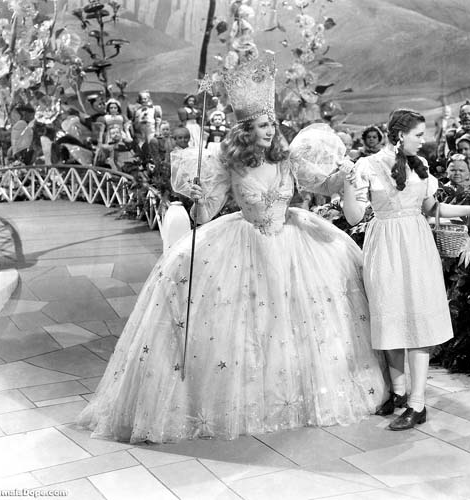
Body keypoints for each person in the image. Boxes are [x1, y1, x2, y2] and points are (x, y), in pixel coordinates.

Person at [77, 54, 387, 443]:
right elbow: (204, 215)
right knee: (247, 326)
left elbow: (322, 185)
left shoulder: (287, 160)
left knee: (299, 320)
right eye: (262, 125)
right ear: (244, 130)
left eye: (271, 124)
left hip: (292, 242)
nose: (270, 131)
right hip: (243, 244)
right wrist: (197, 198)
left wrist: (342, 177)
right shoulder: (229, 164)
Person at [341, 109, 470, 430]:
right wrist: (347, 183)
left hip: (416, 244)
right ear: (400, 135)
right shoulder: (367, 165)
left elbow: (432, 208)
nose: (422, 141)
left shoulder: (421, 165)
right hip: (383, 244)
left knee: (416, 318)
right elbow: (355, 217)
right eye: (418, 135)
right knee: (388, 314)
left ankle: (417, 403)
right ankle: (398, 392)